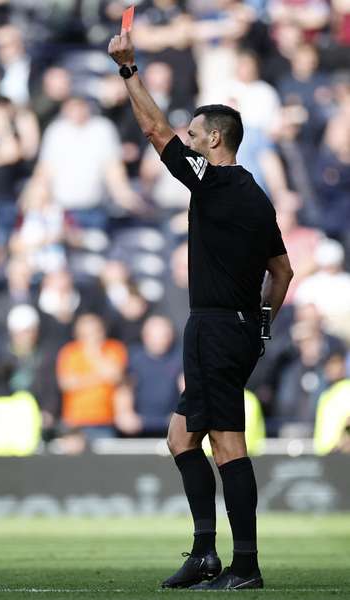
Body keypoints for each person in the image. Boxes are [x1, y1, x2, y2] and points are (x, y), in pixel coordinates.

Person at [109, 31, 293, 590]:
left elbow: (152, 129)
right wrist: (259, 327)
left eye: (193, 135)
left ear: (213, 139)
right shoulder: (257, 196)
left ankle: (246, 564)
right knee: (181, 438)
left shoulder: (214, 184)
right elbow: (282, 273)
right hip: (230, 327)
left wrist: (130, 71)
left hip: (215, 326)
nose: (185, 142)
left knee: (226, 443)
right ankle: (206, 555)